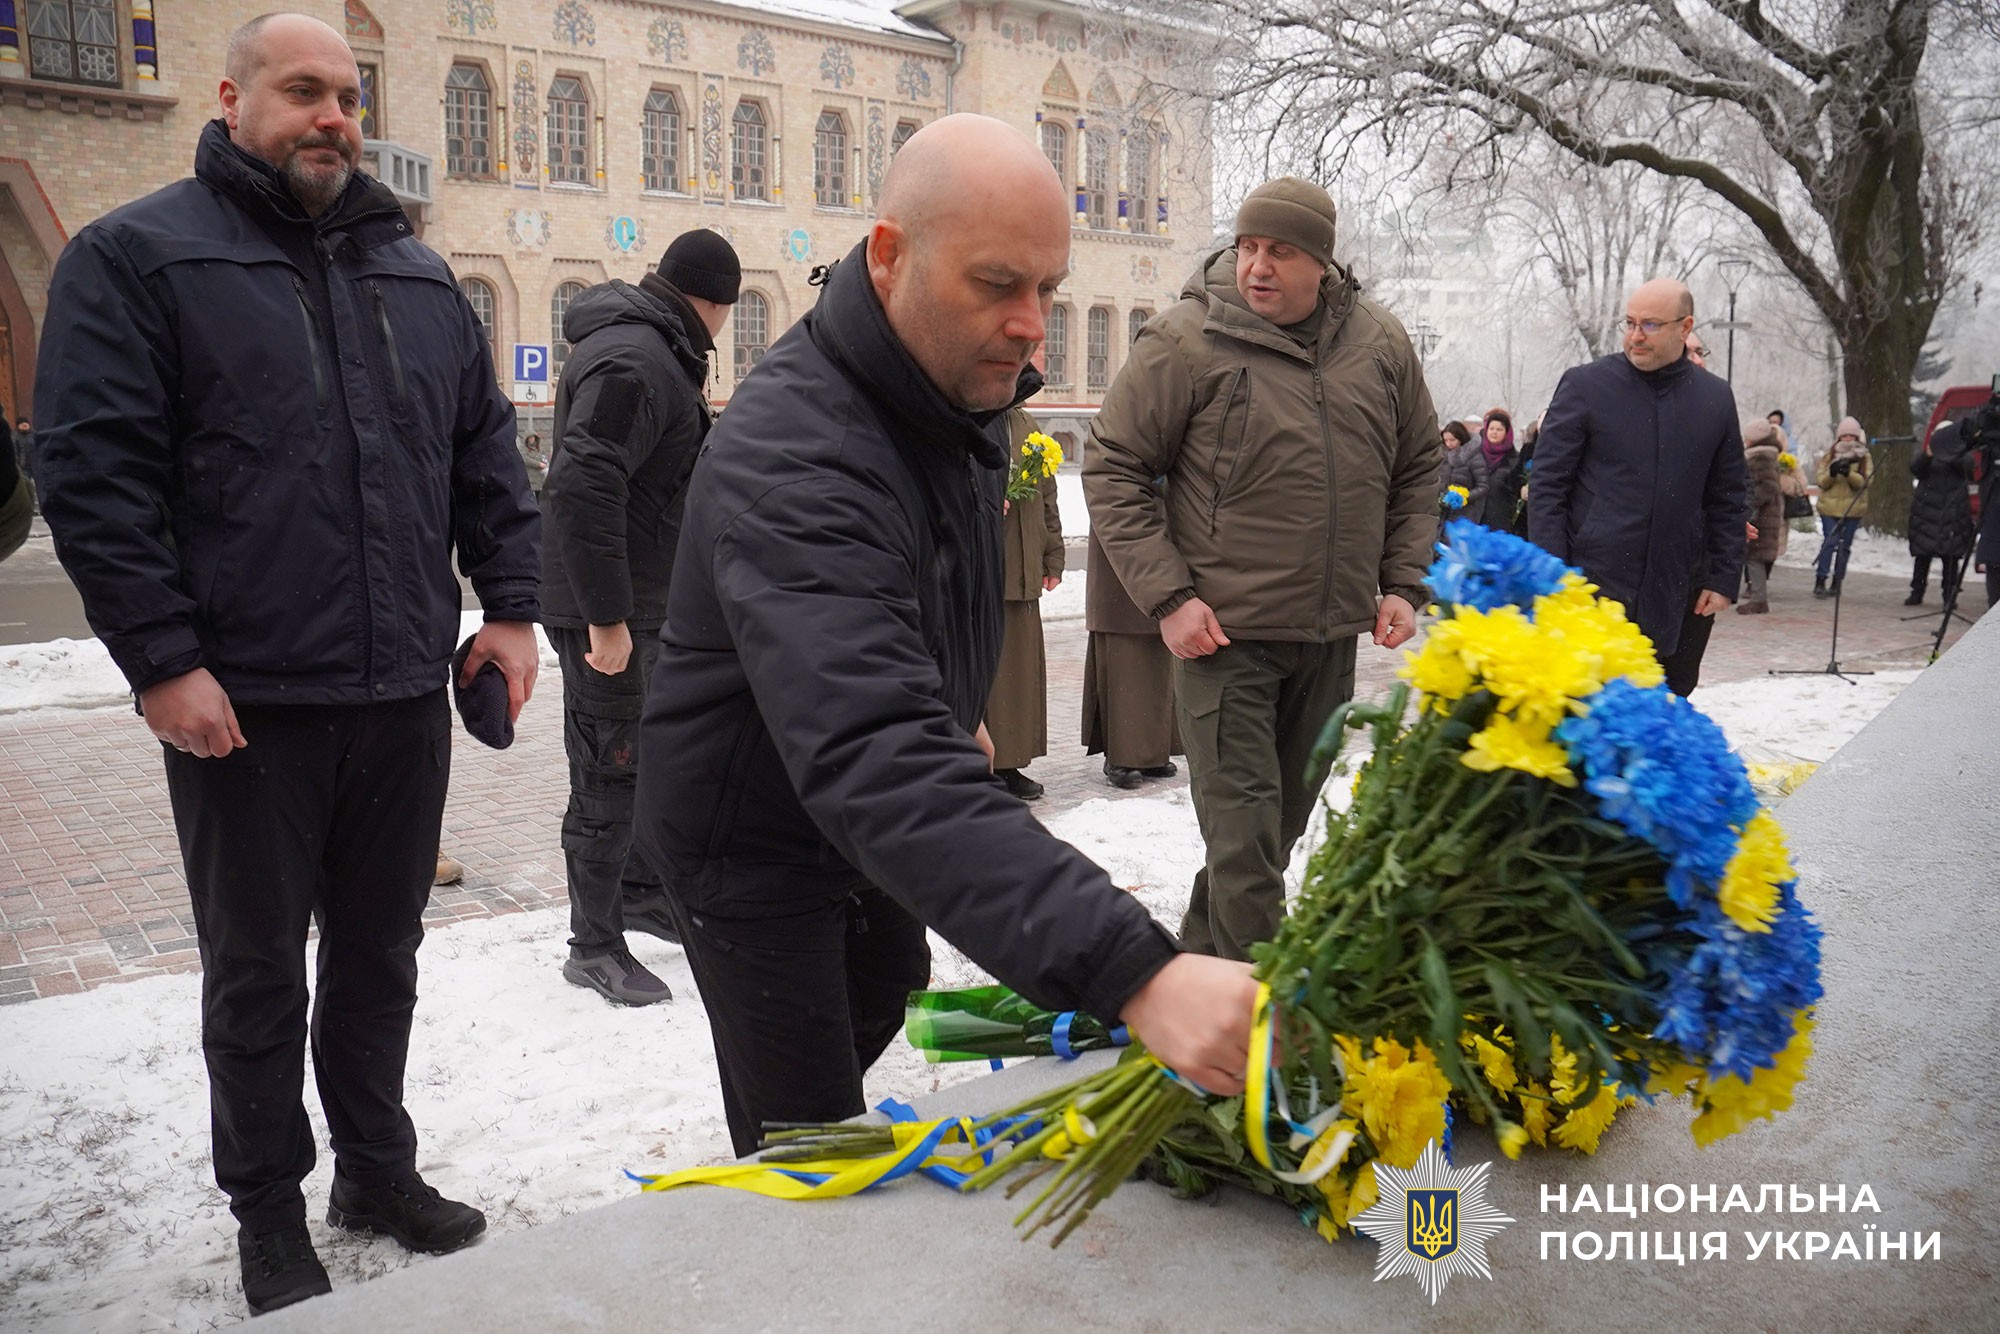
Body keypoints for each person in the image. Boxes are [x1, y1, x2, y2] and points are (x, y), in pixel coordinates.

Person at [32, 14, 540, 1315]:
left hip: (396, 697)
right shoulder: (138, 257)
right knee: (258, 973)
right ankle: (268, 1207)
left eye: (348, 96)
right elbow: (96, 477)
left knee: (382, 957)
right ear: (232, 96)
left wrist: (513, 607)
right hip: (243, 708)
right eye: (303, 91)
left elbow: (486, 459)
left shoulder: (415, 276)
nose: (332, 116)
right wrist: (160, 660)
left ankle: (376, 1170)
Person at [632, 114, 1257, 1158]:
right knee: (808, 1132)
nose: (1031, 328)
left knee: (884, 986)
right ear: (889, 256)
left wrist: (951, 700)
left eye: (1047, 290)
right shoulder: (795, 451)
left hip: (852, 821)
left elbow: (913, 592)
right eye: (996, 284)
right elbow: (876, 753)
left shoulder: (943, 391)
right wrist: (1135, 970)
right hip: (750, 839)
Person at [1086, 176, 1441, 962]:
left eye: (1279, 250)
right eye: (1247, 247)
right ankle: (1260, 1040)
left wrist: (1404, 581)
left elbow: (1420, 464)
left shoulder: (1380, 345)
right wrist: (1169, 597)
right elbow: (1112, 464)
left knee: (1270, 836)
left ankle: (1188, 979)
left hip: (1327, 636)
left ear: (1322, 261)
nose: (1257, 266)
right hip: (1222, 640)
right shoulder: (1186, 340)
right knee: (1245, 844)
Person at [542, 231, 739, 1005]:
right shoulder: (637, 359)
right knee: (608, 771)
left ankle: (639, 893)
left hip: (641, 601)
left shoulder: (651, 348)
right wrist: (607, 620)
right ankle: (592, 944)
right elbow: (584, 483)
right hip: (613, 614)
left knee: (644, 761)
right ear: (715, 304)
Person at [1528, 279, 1744, 697]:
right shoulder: (1586, 386)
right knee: (1584, 718)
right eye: (1628, 323)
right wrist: (1553, 575)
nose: (1634, 336)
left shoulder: (1715, 399)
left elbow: (1730, 495)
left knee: (1665, 713)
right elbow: (1548, 487)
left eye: (1649, 325)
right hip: (1592, 589)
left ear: (1685, 327)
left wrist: (1721, 576)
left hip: (1680, 593)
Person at [986, 405, 1064, 801]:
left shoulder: (1025, 422)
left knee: (1016, 673)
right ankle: (980, 764)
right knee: (986, 674)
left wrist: (1053, 556)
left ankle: (1008, 762)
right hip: (983, 571)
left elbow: (1047, 496)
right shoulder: (969, 414)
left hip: (1022, 572)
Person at [1082, 507, 1181, 791]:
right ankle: (1121, 756)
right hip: (1123, 531)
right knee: (1122, 656)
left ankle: (1153, 752)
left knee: (1160, 660)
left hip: (1160, 532)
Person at [1905, 419, 1974, 607]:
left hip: (1953, 512)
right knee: (1922, 556)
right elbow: (1915, 469)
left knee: (1950, 559)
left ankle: (1949, 596)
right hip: (1927, 512)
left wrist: (1951, 453)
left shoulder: (1962, 456)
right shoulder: (1929, 454)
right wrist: (1928, 455)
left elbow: (1970, 470)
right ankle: (1916, 591)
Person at [1813, 417, 1871, 598]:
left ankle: (1837, 582)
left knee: (1844, 547)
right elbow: (1821, 481)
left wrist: (1849, 474)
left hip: (1853, 509)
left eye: (1851, 436)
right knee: (1829, 543)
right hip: (1829, 508)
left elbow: (1866, 482)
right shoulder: (1829, 455)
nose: (1847, 439)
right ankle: (1820, 579)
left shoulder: (1864, 456)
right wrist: (1832, 472)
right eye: (1844, 436)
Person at [1738, 418, 1785, 614]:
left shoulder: (1761, 457)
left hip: (1761, 517)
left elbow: (1767, 487)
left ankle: (1758, 599)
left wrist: (1748, 502)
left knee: (1754, 556)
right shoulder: (1765, 455)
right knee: (1754, 556)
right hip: (1765, 515)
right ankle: (1757, 595)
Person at [1438, 418, 1487, 528]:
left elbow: (1483, 485)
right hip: (1443, 512)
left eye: (1452, 440)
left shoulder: (1474, 457)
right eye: (1446, 440)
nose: (1449, 444)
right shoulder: (1441, 457)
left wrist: (1465, 496)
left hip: (1466, 514)